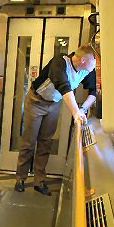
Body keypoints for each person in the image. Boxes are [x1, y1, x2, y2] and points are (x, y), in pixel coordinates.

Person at [14, 45, 97, 195]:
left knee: (46, 142)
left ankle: (39, 181)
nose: (95, 65)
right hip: (36, 101)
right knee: (29, 141)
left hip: (54, 104)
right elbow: (64, 87)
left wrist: (83, 109)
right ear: (83, 60)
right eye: (93, 61)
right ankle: (20, 178)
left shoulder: (88, 70)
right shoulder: (60, 62)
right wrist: (75, 113)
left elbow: (93, 92)